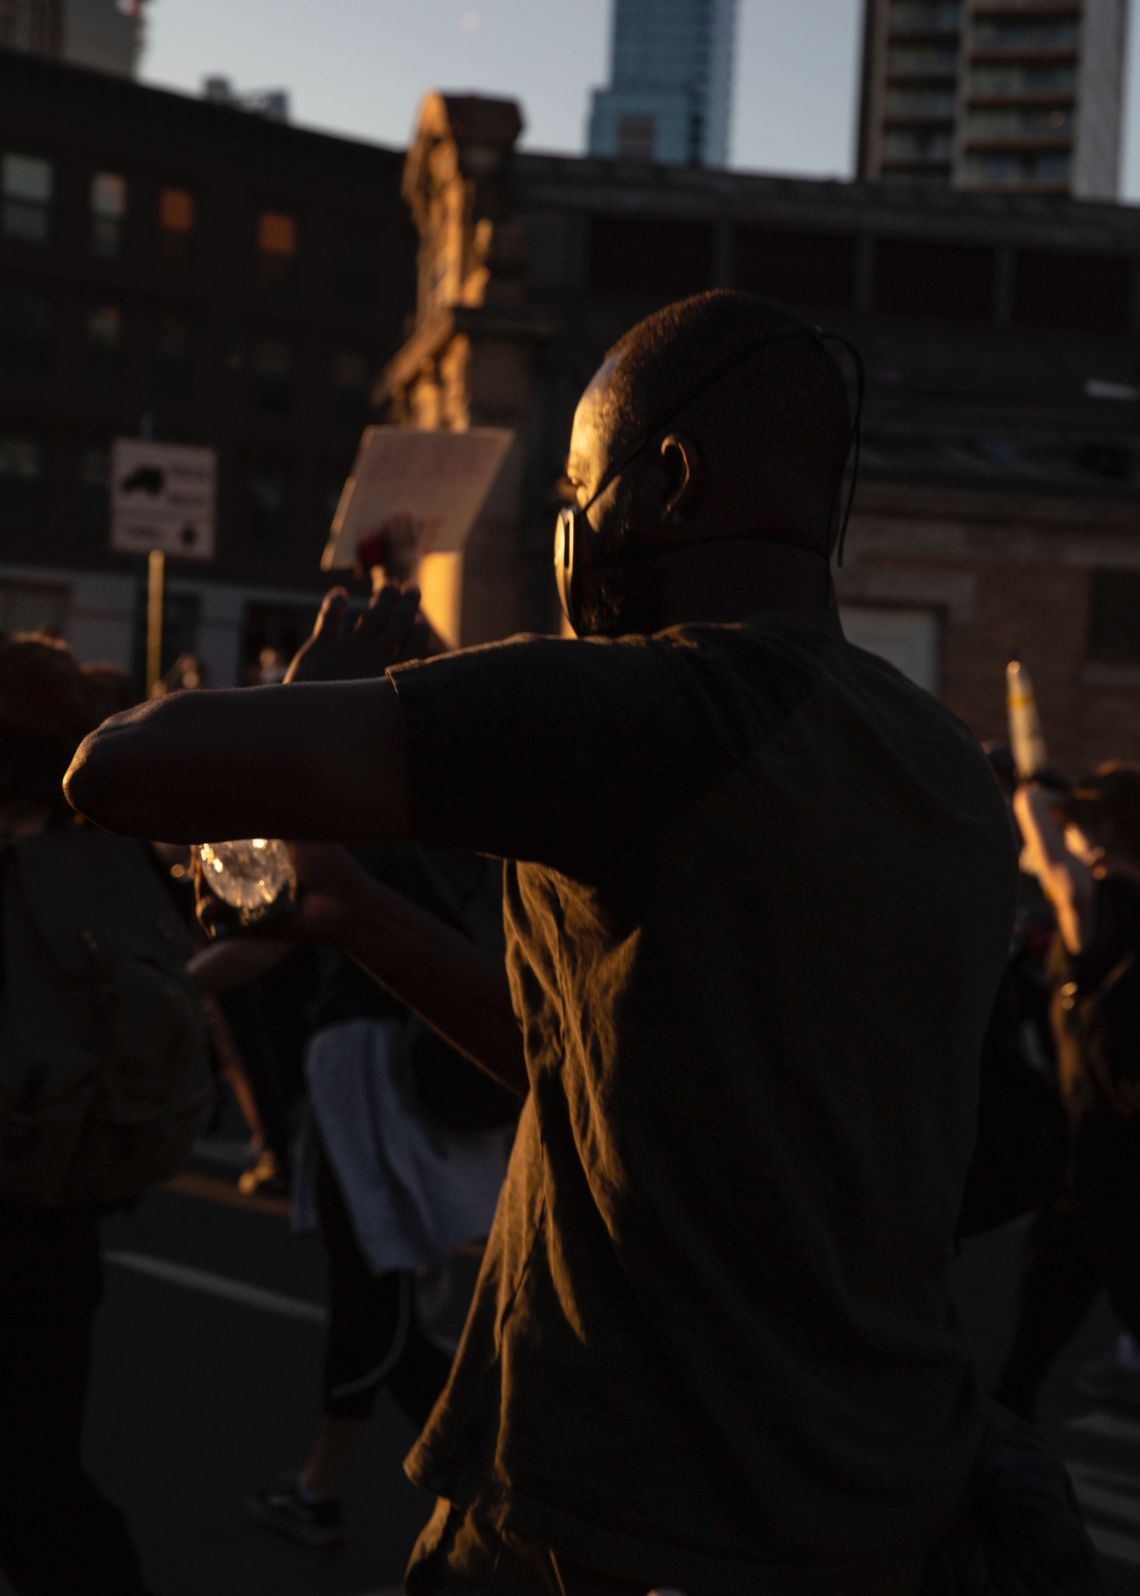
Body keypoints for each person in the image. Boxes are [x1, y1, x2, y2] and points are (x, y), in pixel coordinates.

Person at [65, 291, 1104, 1594]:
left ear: (665, 481)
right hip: (877, 1488)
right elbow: (593, 1076)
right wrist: (352, 914)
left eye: (576, 482)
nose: (569, 524)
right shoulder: (941, 765)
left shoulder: (652, 705)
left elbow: (122, 770)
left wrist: (313, 669)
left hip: (619, 1517)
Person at [0, 635, 153, 1596]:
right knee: (38, 1480)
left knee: (32, 1498)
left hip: (22, 1212)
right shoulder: (108, 861)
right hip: (63, 1219)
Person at [994, 765, 1140, 1421]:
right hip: (1094, 1167)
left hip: (1111, 1163)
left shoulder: (1105, 899)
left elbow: (1047, 844)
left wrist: (1037, 789)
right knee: (1034, 1335)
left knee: (1034, 1342)